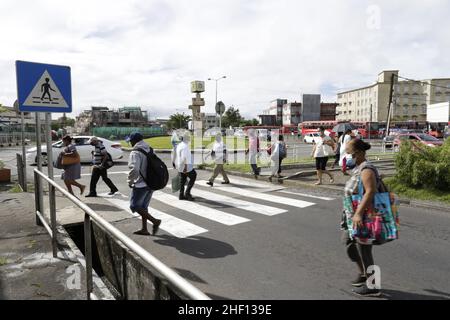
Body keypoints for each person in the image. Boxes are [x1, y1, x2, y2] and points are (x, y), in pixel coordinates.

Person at [341, 139, 381, 297]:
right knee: (348, 243)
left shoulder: (367, 169)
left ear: (358, 152)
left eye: (349, 152)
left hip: (362, 217)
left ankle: (373, 286)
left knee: (364, 250)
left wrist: (358, 213)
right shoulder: (358, 168)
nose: (347, 155)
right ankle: (364, 273)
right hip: (351, 216)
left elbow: (370, 191)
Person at [127, 132, 161, 236]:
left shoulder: (135, 152)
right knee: (143, 207)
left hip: (140, 184)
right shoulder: (150, 149)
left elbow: (135, 169)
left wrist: (130, 181)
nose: (130, 143)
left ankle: (155, 221)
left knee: (135, 206)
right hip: (151, 183)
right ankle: (144, 229)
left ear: (134, 141)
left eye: (130, 141)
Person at [176, 133, 197, 201]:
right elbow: (184, 158)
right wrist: (185, 168)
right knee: (193, 176)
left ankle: (181, 195)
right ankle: (187, 193)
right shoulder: (185, 146)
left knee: (183, 180)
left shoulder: (179, 145)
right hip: (186, 166)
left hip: (179, 165)